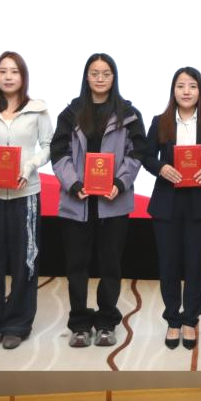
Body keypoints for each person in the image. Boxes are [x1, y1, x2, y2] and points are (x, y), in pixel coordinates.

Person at [50, 54, 145, 347]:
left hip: (113, 202)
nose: (100, 78)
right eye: (94, 73)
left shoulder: (129, 113)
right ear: (86, 77)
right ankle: (79, 323)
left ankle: (106, 322)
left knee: (110, 266)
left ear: (114, 77)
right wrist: (73, 184)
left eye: (106, 73)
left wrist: (120, 183)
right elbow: (59, 153)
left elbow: (136, 153)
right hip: (77, 202)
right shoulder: (71, 113)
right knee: (76, 267)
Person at [0, 51, 53, 349]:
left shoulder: (38, 110)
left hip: (25, 195)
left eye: (14, 71)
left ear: (23, 76)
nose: (7, 76)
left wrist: (29, 167)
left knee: (24, 260)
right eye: (2, 71)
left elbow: (48, 146)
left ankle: (17, 322)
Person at [144, 66, 201, 348]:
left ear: (200, 91)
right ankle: (172, 319)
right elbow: (146, 156)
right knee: (168, 263)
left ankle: (190, 319)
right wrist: (161, 168)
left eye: (192, 86)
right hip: (167, 201)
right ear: (173, 90)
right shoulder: (160, 121)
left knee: (196, 263)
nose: (186, 91)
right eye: (181, 86)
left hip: (200, 202)